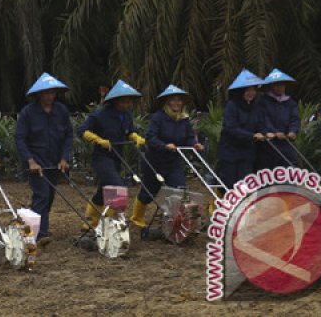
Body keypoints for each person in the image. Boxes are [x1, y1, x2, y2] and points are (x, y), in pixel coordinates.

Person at [130, 85, 204, 227]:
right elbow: (150, 138)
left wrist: (195, 144)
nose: (177, 103)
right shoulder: (158, 118)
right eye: (173, 100)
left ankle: (173, 220)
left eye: (179, 100)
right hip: (155, 162)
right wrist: (164, 145)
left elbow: (188, 137)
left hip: (173, 162)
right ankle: (136, 217)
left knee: (179, 189)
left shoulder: (184, 119)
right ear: (167, 102)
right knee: (149, 192)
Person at [77, 79, 145, 229]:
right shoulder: (100, 114)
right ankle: (114, 219)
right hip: (101, 158)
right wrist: (98, 139)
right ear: (114, 101)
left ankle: (91, 220)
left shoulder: (126, 115)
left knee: (103, 191)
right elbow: (82, 130)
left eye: (128, 102)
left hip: (116, 158)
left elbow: (129, 131)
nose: (126, 105)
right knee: (117, 186)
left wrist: (135, 137)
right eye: (123, 102)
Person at [14, 72, 73, 244]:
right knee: (42, 195)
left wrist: (64, 158)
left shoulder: (61, 111)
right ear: (39, 94)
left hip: (55, 162)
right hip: (36, 162)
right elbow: (20, 138)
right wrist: (30, 161)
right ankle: (41, 234)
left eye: (52, 93)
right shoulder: (28, 113)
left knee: (49, 196)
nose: (49, 96)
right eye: (46, 93)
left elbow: (69, 135)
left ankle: (27, 224)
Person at [216, 69, 265, 190]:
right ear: (240, 91)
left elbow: (260, 124)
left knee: (245, 185)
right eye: (247, 90)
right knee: (229, 185)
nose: (251, 93)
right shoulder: (231, 106)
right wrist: (252, 136)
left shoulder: (256, 106)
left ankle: (243, 207)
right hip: (230, 152)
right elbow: (231, 129)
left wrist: (265, 133)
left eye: (253, 90)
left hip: (247, 153)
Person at [255, 68, 300, 169]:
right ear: (270, 86)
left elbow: (295, 119)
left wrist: (293, 131)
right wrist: (275, 132)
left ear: (285, 86)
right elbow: (263, 120)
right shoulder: (263, 102)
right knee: (267, 171)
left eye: (281, 85)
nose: (278, 87)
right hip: (268, 142)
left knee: (291, 166)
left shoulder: (291, 103)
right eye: (275, 85)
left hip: (286, 141)